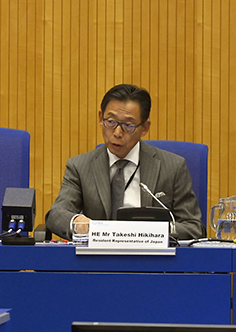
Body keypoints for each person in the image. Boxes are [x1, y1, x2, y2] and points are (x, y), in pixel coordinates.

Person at [45, 84, 204, 241]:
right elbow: (57, 214)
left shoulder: (173, 167)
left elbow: (194, 227)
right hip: (97, 263)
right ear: (101, 118)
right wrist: (77, 223)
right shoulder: (80, 166)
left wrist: (156, 231)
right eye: (111, 122)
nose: (117, 133)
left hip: (152, 261)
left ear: (144, 128)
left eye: (128, 125)